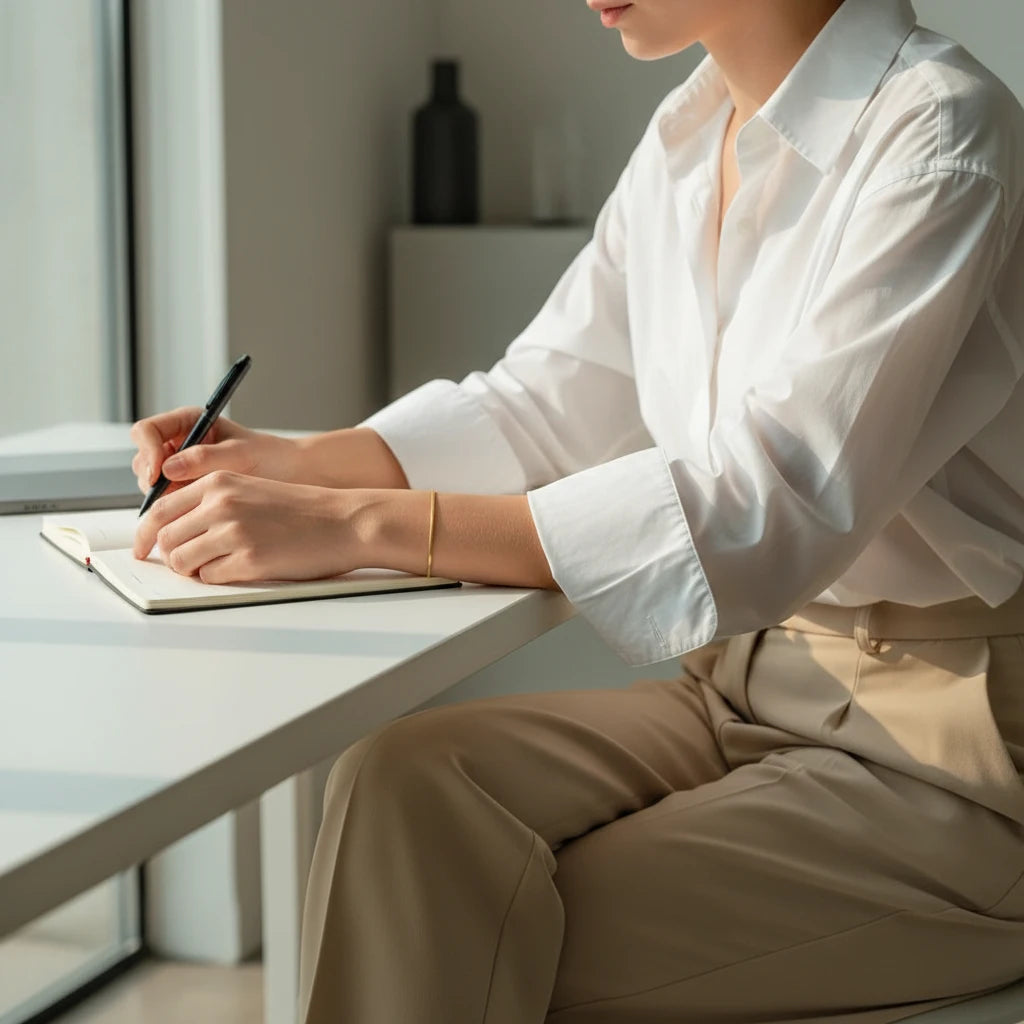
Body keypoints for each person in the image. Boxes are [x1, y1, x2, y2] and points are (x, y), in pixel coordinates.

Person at [130, 0, 1024, 1019]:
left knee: (452, 924)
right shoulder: (689, 135)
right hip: (738, 691)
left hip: (950, 763)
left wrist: (356, 526)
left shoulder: (941, 136)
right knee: (403, 782)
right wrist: (297, 463)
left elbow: (765, 500)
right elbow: (545, 402)